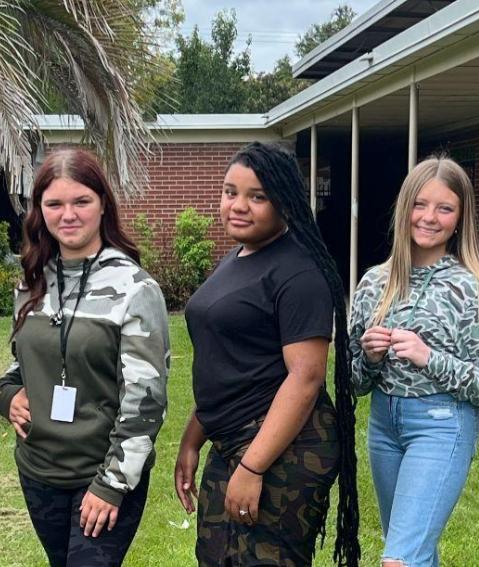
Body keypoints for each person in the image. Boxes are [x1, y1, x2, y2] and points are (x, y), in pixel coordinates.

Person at [175, 141, 360, 566]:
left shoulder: (298, 271)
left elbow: (306, 377)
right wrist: (191, 440)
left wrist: (254, 467)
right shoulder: (238, 257)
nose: (238, 206)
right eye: (230, 192)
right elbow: (231, 365)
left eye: (257, 196)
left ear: (285, 201)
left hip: (283, 448)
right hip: (230, 441)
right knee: (217, 558)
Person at [0, 148, 171, 566]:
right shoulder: (31, 280)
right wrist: (6, 395)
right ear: (40, 211)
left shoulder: (135, 289)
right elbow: (20, 367)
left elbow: (146, 401)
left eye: (81, 201)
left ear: (102, 204)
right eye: (54, 203)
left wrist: (112, 484)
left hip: (102, 473)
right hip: (39, 471)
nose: (67, 214)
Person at [347, 156, 479, 566]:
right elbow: (353, 381)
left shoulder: (473, 289)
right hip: (383, 425)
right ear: (405, 208)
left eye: (445, 208)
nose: (429, 217)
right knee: (415, 552)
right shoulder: (373, 283)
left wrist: (431, 358)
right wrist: (369, 358)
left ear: (460, 218)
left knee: (400, 559)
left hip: (442, 425)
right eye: (420, 205)